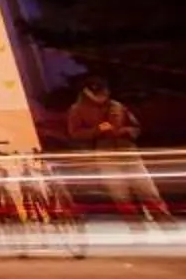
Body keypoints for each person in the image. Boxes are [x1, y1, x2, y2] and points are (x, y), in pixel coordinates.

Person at [63, 76, 173, 229]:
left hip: (128, 152)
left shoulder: (116, 105)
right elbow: (74, 133)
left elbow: (135, 127)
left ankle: (167, 225)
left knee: (148, 190)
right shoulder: (77, 110)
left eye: (104, 92)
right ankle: (137, 229)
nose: (103, 96)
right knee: (120, 195)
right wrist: (98, 130)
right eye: (99, 93)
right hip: (105, 156)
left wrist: (127, 131)